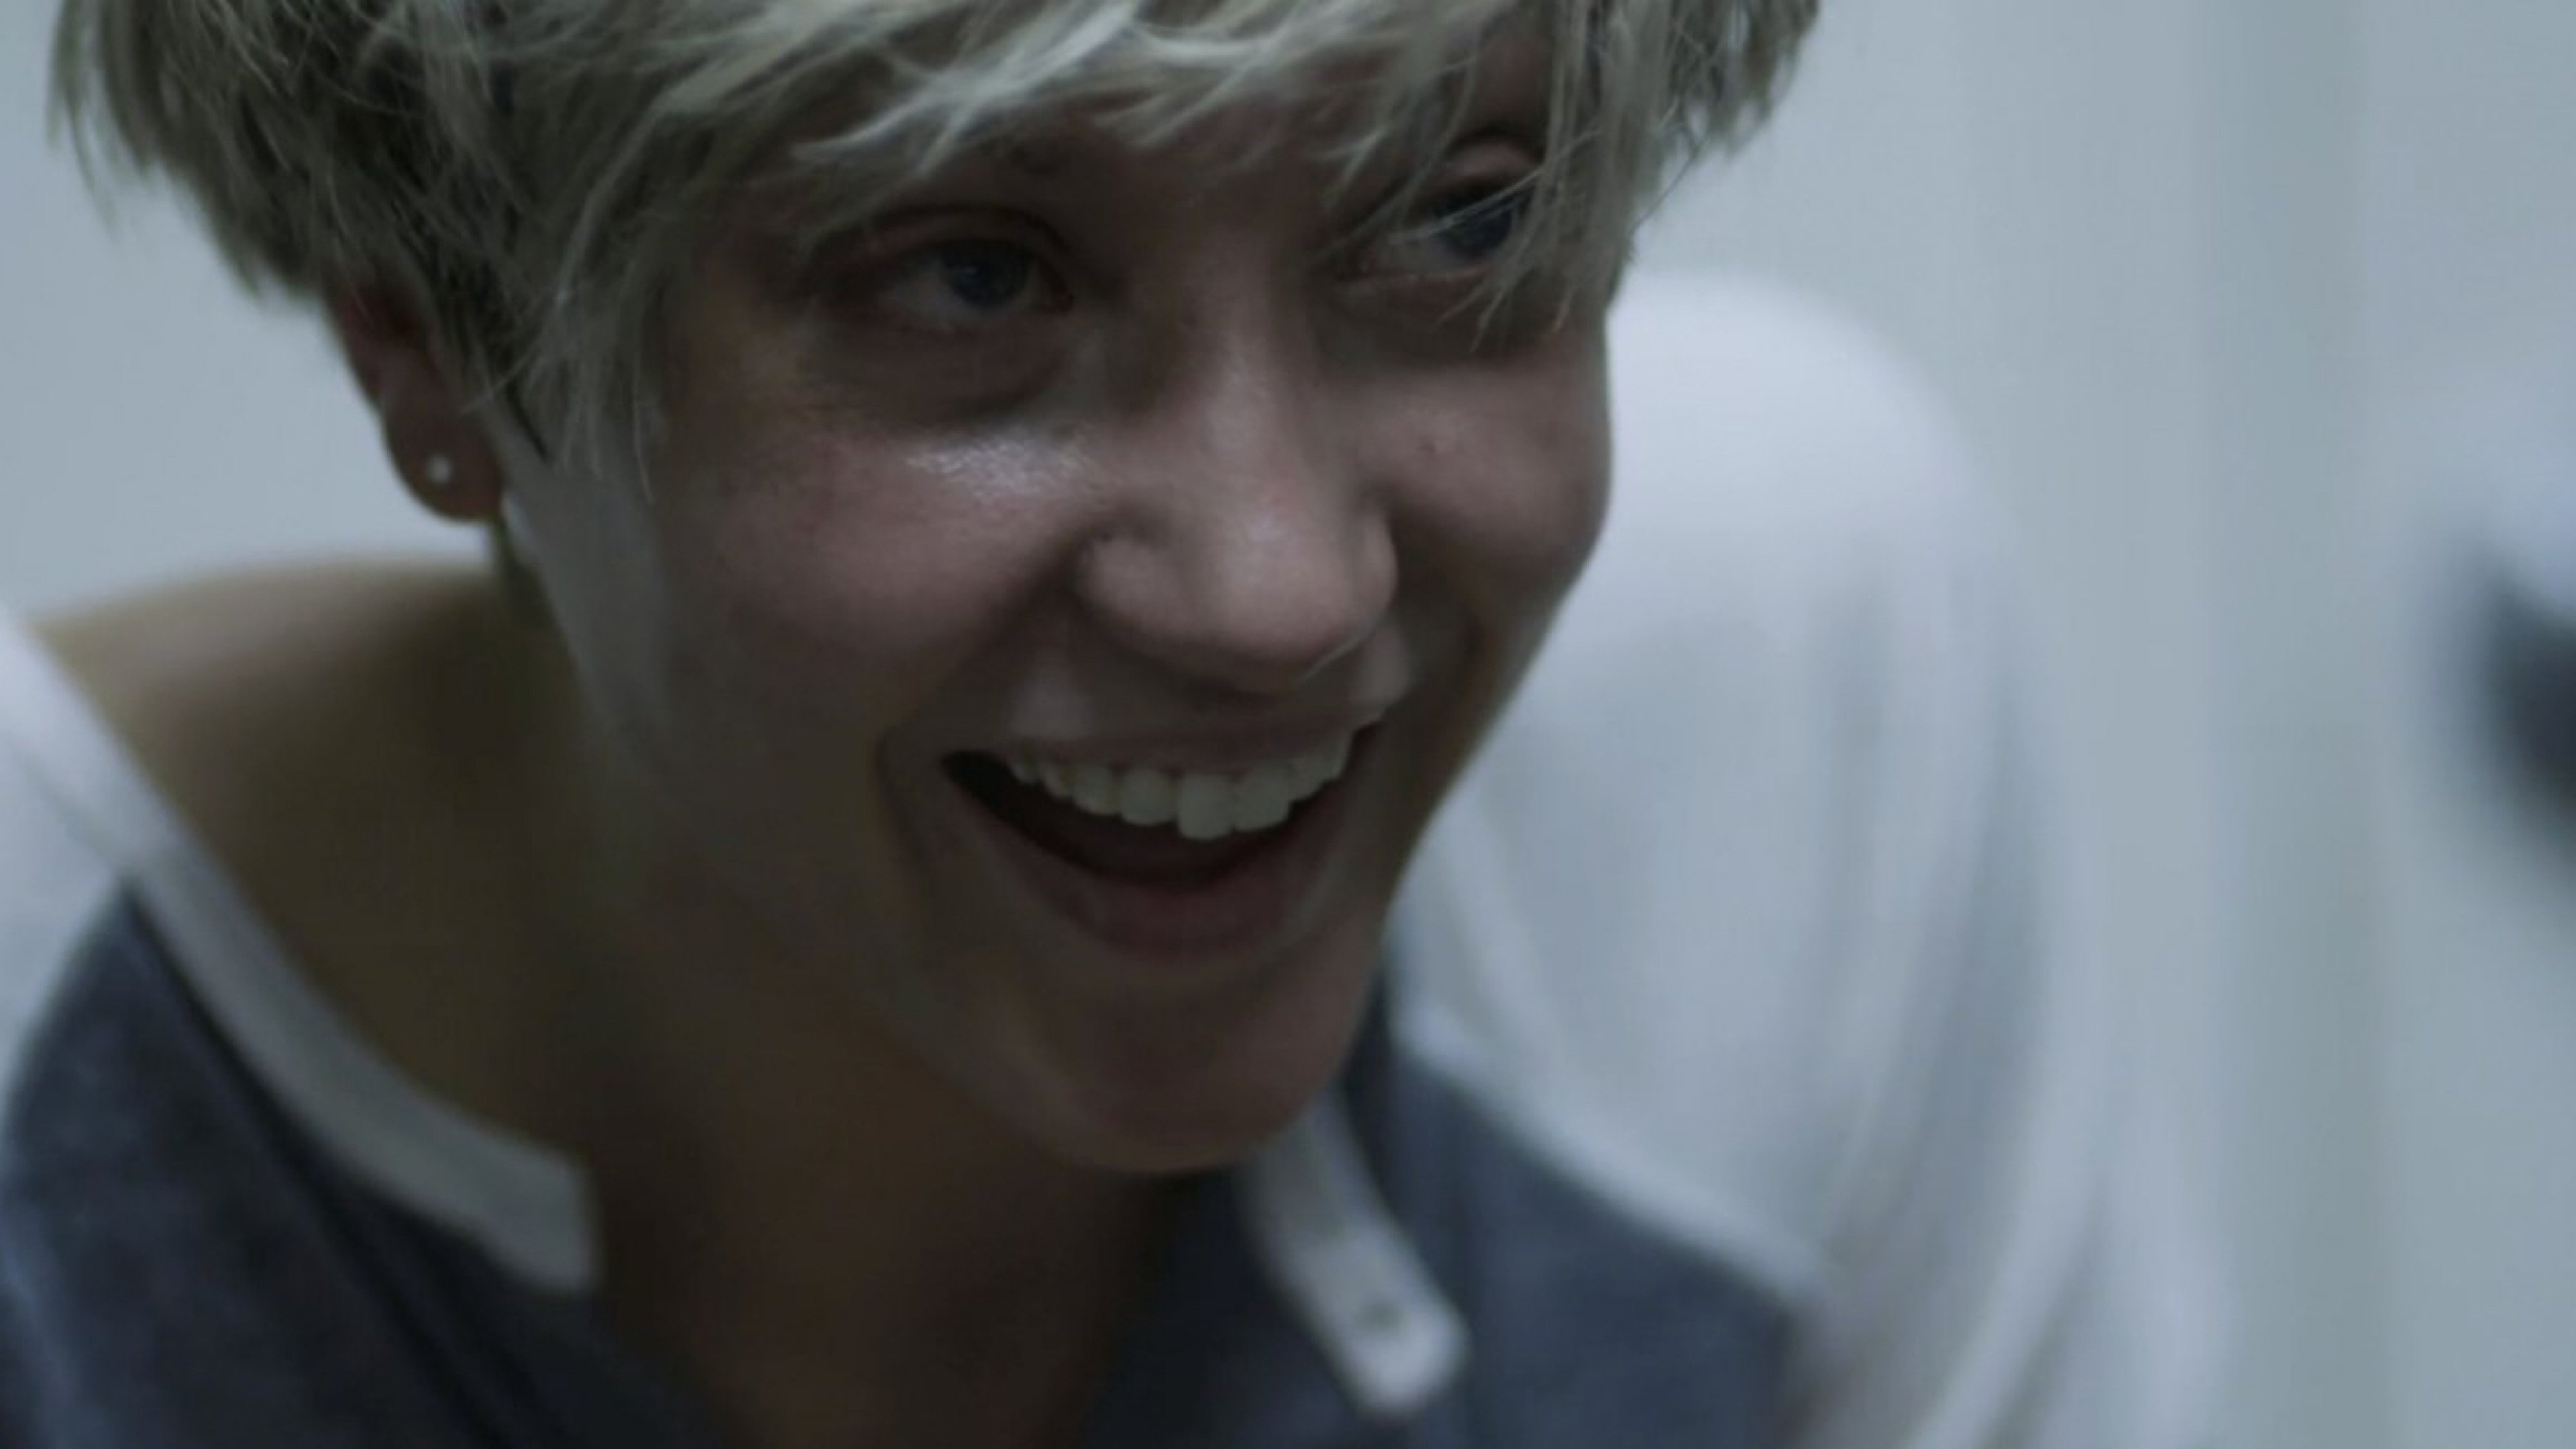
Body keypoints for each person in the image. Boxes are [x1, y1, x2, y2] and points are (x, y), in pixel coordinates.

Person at [0, 2, 2207, 1445]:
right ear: (429, 339)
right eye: (968, 274)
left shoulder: (1766, 718)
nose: (1283, 591)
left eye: (1463, 216)